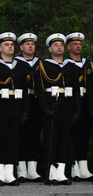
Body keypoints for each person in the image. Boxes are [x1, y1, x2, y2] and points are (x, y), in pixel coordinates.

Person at [34, 33, 80, 185]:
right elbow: (40, 90)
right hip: (52, 104)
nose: (59, 47)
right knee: (51, 140)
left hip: (67, 105)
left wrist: (76, 110)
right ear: (49, 49)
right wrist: (45, 108)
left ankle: (61, 173)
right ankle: (50, 172)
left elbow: (76, 90)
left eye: (61, 45)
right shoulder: (43, 66)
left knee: (64, 140)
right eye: (56, 45)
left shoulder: (71, 66)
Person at [0, 32, 28, 186]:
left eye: (11, 44)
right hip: (0, 105)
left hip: (15, 105)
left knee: (12, 140)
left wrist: (25, 110)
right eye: (7, 45)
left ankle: (10, 173)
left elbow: (26, 90)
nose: (10, 47)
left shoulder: (20, 66)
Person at [15, 33, 43, 182]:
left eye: (32, 44)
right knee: (21, 135)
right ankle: (21, 169)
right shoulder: (17, 63)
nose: (30, 46)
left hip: (37, 101)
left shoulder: (41, 63)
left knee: (34, 134)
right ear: (21, 47)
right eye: (27, 44)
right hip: (21, 101)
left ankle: (32, 170)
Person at [66, 33, 93, 181]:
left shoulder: (89, 64)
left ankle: (83, 167)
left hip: (86, 102)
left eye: (80, 44)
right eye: (75, 44)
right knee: (71, 134)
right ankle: (73, 167)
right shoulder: (66, 64)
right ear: (68, 47)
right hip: (71, 102)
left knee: (84, 134)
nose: (78, 46)